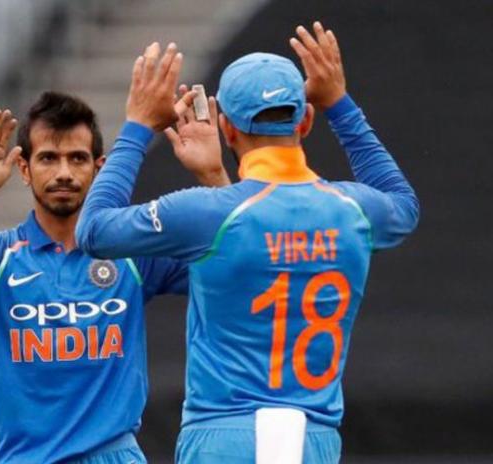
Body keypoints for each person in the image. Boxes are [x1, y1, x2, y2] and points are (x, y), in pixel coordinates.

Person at [76, 22, 419, 463]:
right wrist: (339, 103)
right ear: (306, 120)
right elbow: (403, 204)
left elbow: (94, 231)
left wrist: (138, 126)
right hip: (311, 437)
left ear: (227, 129)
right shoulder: (354, 209)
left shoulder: (207, 212)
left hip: (224, 436)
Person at [0, 85, 228, 462]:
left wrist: (214, 175)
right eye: (48, 158)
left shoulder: (132, 252)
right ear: (24, 169)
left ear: (99, 167)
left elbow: (242, 263)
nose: (64, 173)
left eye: (77, 159)